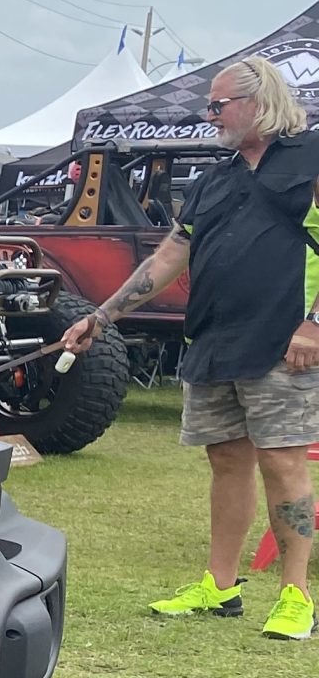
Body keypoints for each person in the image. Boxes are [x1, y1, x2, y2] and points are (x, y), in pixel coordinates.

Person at [62, 56, 319, 640]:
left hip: (284, 344)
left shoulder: (312, 158)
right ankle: (219, 585)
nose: (210, 116)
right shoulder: (214, 178)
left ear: (258, 102)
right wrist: (102, 316)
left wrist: (314, 325)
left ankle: (296, 595)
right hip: (213, 340)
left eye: (218, 105)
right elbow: (168, 258)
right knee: (226, 462)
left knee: (283, 463)